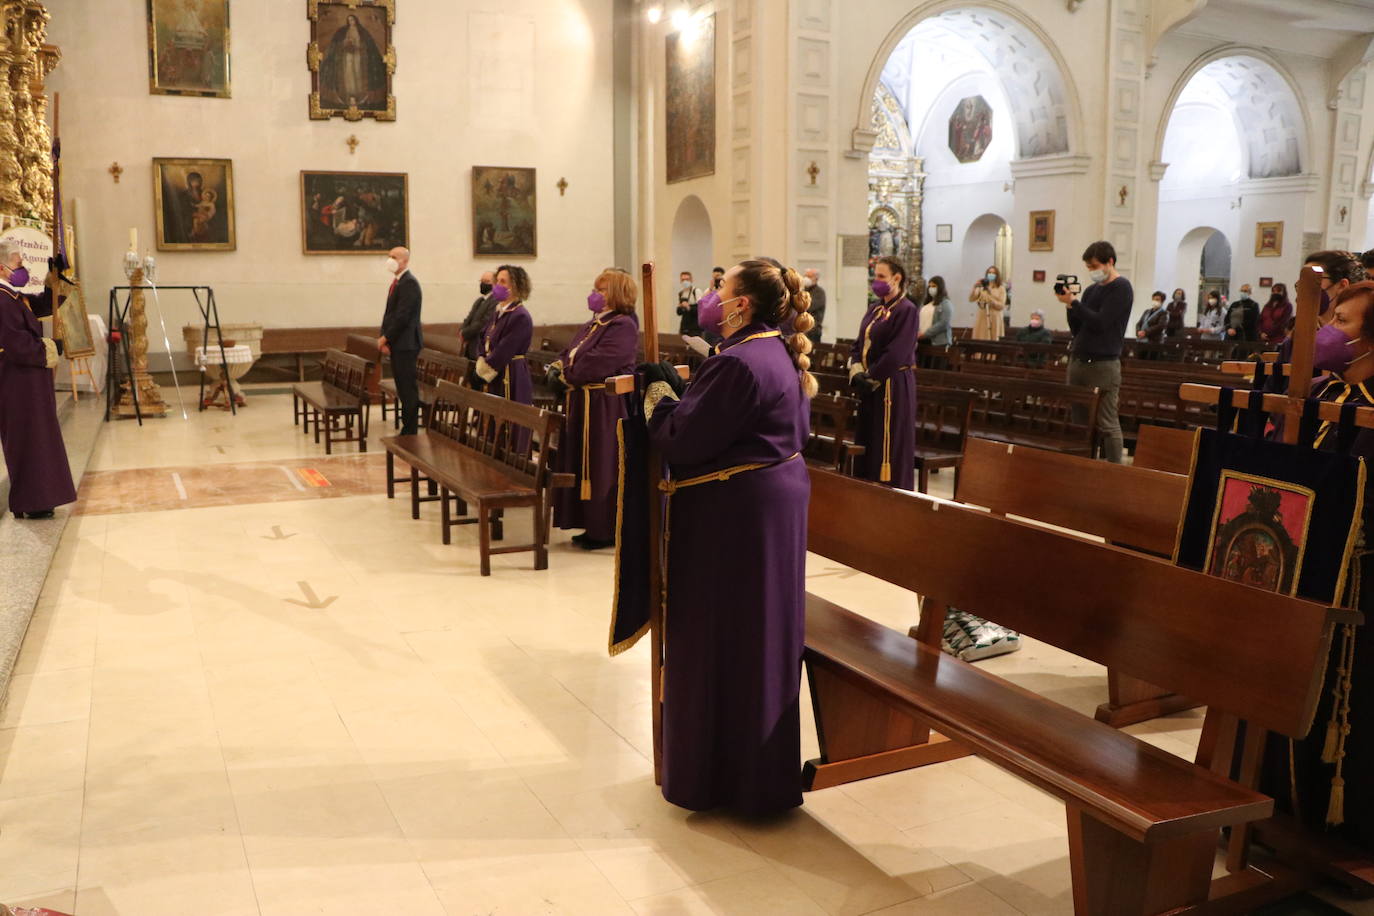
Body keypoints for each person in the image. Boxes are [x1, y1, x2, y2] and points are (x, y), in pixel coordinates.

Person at [638, 258, 816, 815]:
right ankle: (748, 773)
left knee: (730, 636)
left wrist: (659, 400)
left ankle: (725, 777)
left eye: (722, 288)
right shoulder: (768, 351)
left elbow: (685, 441)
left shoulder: (741, 363)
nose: (712, 296)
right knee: (754, 634)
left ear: (743, 304)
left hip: (738, 517)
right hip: (760, 508)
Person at [1262, 278, 1374, 852]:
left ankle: (1344, 828)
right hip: (1315, 569)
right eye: (1331, 319)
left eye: (1347, 325)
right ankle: (1282, 806)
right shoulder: (1329, 397)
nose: (1331, 334)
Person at [547, 269, 639, 551]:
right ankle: (587, 522)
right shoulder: (594, 324)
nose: (595, 295)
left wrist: (567, 375)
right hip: (581, 402)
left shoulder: (623, 325)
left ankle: (605, 528)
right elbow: (569, 353)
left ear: (616, 294)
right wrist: (558, 367)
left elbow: (599, 363)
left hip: (603, 406)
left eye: (601, 290)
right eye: (595, 289)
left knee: (601, 465)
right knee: (580, 460)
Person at [0, 240, 75, 519]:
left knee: (38, 438)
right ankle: (31, 500)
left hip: (28, 382)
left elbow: (44, 303)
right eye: (18, 264)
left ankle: (41, 497)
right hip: (17, 382)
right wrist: (52, 347)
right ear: (2, 267)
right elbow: (17, 345)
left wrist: (56, 278)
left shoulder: (14, 297)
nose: (22, 269)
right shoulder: (2, 301)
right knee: (27, 439)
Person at [1057, 241, 1130, 463]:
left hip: (1103, 364)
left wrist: (1075, 304)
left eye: (1094, 266)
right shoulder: (1091, 290)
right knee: (1080, 420)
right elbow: (1077, 328)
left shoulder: (1121, 288)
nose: (1091, 271)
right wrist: (1070, 306)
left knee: (1107, 423)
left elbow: (1101, 323)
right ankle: (1083, 465)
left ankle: (1113, 470)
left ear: (1110, 262)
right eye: (1088, 267)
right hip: (1079, 361)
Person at [850, 256, 919, 488]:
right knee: (868, 436)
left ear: (897, 278)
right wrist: (857, 372)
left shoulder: (907, 310)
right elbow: (858, 344)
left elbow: (897, 352)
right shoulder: (875, 308)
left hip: (892, 385)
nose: (876, 281)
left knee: (888, 440)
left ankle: (891, 490)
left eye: (881, 276)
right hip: (869, 385)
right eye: (875, 276)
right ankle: (866, 485)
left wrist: (873, 377)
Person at [377, 246, 422, 435]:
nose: (390, 260)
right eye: (389, 256)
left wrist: (386, 337)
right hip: (399, 343)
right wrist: (385, 338)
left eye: (394, 257)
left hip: (406, 344)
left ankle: (410, 428)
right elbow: (390, 315)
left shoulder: (409, 283)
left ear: (404, 261)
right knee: (402, 387)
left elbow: (403, 317)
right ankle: (407, 425)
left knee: (407, 387)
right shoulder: (398, 282)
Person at [476, 264, 533, 405]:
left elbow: (505, 348)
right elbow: (483, 336)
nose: (497, 285)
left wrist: (484, 369)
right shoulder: (498, 311)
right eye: (497, 281)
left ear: (515, 286)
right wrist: (481, 357)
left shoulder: (520, 316)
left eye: (503, 282)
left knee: (508, 422)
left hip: (510, 373)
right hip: (495, 372)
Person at [460, 271, 497, 361]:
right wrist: (461, 330)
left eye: (487, 281)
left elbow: (484, 322)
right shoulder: (480, 300)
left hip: (480, 346)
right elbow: (469, 318)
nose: (483, 284)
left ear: (495, 284)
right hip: (470, 345)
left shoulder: (495, 301)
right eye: (482, 281)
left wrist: (465, 333)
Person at [969, 265, 1006, 340]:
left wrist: (990, 294)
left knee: (992, 339)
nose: (991, 274)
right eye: (989, 272)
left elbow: (1001, 306)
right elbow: (971, 299)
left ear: (997, 275)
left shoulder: (1001, 288)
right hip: (983, 316)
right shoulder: (982, 286)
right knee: (981, 337)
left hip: (994, 317)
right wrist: (975, 287)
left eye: (993, 273)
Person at [920, 275, 953, 347]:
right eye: (930, 286)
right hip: (922, 339)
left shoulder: (945, 303)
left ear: (940, 287)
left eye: (934, 286)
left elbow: (943, 323)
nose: (931, 288)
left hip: (938, 342)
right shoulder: (926, 303)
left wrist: (926, 334)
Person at [802, 268, 826, 345]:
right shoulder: (803, 290)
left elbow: (808, 307)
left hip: (813, 331)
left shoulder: (819, 292)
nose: (806, 278)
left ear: (816, 278)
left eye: (809, 276)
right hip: (801, 329)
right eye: (805, 276)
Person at [676, 271, 701, 337]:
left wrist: (688, 307)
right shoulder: (681, 293)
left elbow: (701, 309)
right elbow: (679, 312)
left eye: (687, 279)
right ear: (680, 281)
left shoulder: (696, 291)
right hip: (684, 327)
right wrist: (680, 307)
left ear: (691, 280)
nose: (685, 282)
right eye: (683, 280)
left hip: (695, 328)